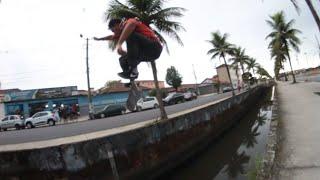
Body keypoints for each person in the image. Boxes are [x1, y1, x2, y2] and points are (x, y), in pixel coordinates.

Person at [94, 18, 163, 80]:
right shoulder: (121, 32)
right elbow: (111, 37)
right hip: (149, 55)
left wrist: (119, 44)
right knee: (122, 60)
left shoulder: (128, 21)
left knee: (131, 35)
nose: (114, 33)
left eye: (113, 30)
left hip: (154, 47)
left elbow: (132, 24)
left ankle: (133, 69)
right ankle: (132, 75)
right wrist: (99, 39)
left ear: (118, 24)